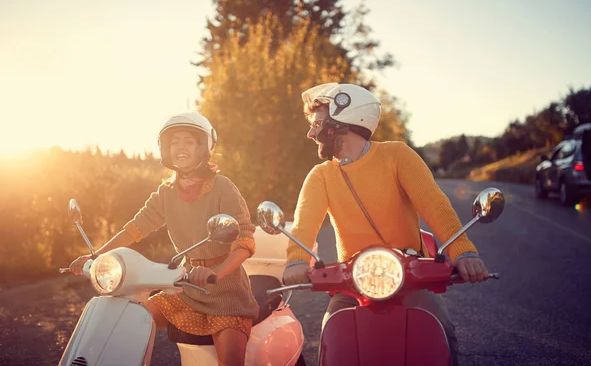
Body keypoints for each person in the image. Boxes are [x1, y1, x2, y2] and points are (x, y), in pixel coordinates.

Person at [282, 83, 490, 366]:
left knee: (441, 327)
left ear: (343, 119)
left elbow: (435, 206)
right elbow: (304, 225)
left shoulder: (397, 155)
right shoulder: (321, 176)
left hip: (410, 276)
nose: (311, 133)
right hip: (353, 283)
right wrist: (297, 260)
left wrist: (464, 252)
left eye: (317, 123)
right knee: (332, 328)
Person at [70, 112, 258, 366]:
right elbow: (135, 228)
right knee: (130, 320)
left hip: (226, 292)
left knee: (231, 362)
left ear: (204, 147)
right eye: (174, 142)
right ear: (166, 149)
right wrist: (95, 257)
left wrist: (216, 271)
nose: (180, 147)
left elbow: (244, 239)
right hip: (186, 287)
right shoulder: (166, 192)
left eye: (188, 142)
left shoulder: (222, 187)